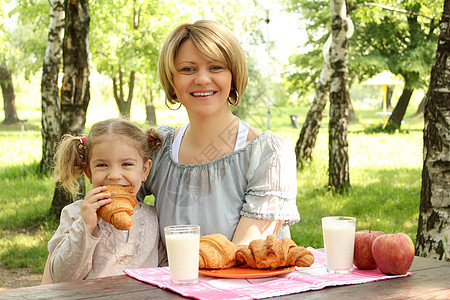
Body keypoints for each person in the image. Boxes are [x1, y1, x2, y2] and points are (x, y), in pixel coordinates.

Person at [138, 20, 300, 247]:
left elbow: (244, 253)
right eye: (187, 69)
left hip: (244, 281)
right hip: (170, 282)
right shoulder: (157, 149)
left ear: (233, 76)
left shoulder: (268, 154)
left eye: (216, 67)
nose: (202, 79)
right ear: (172, 81)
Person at [41, 118, 163, 284]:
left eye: (126, 164)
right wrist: (86, 226)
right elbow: (61, 277)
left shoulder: (153, 218)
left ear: (144, 170)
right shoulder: (75, 214)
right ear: (89, 172)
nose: (114, 175)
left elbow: (165, 270)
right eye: (102, 165)